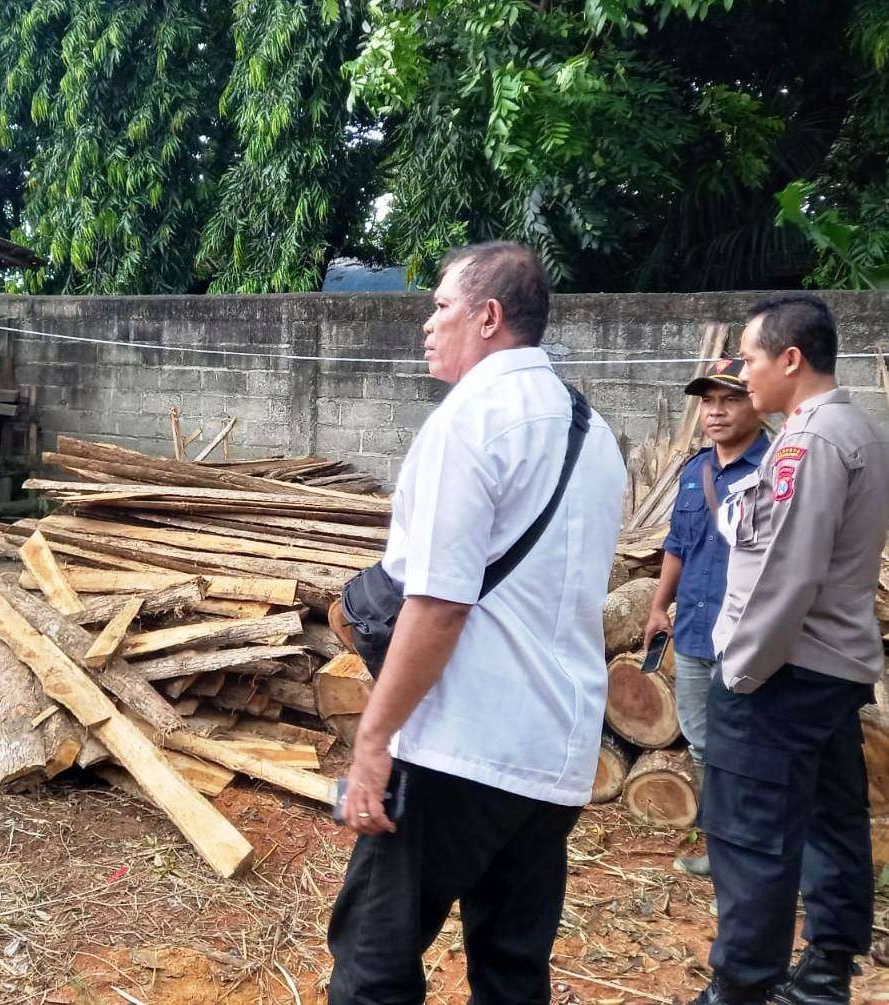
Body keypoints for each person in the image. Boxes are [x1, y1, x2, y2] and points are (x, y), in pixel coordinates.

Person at [327, 241, 626, 1005]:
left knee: (373, 963)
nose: (427, 323)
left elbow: (439, 604)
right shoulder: (592, 433)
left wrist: (372, 742)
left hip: (457, 749)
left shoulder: (471, 421)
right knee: (511, 969)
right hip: (553, 757)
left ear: (489, 317)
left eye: (441, 306)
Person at [690, 295, 889, 1005]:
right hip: (830, 666)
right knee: (832, 815)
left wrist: (741, 671)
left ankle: (742, 986)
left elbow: (788, 571)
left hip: (784, 669)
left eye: (748, 359)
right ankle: (826, 968)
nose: (742, 375)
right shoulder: (851, 428)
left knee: (749, 834)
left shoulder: (810, 441)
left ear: (791, 359)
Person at [643, 359, 768, 877]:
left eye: (730, 400)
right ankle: (723, 850)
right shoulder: (695, 471)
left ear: (757, 403)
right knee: (700, 739)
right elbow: (677, 545)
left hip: (749, 637)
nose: (715, 412)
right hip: (694, 629)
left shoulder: (776, 469)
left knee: (751, 746)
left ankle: (756, 857)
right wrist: (656, 605)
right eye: (708, 402)